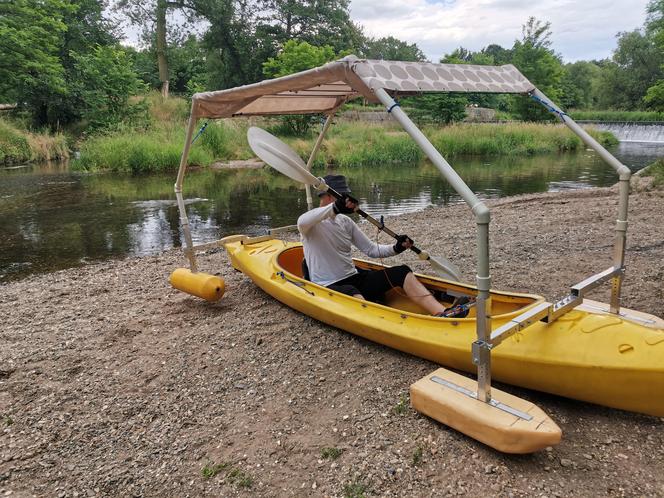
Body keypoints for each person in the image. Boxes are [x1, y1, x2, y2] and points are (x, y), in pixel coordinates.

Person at [297, 174, 451, 317]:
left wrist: (396, 248)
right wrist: (334, 208)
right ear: (329, 196)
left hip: (354, 277)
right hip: (328, 285)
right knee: (352, 292)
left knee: (402, 271)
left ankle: (442, 313)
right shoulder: (310, 225)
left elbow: (371, 249)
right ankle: (382, 323)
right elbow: (302, 221)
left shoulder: (345, 222)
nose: (347, 201)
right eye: (342, 196)